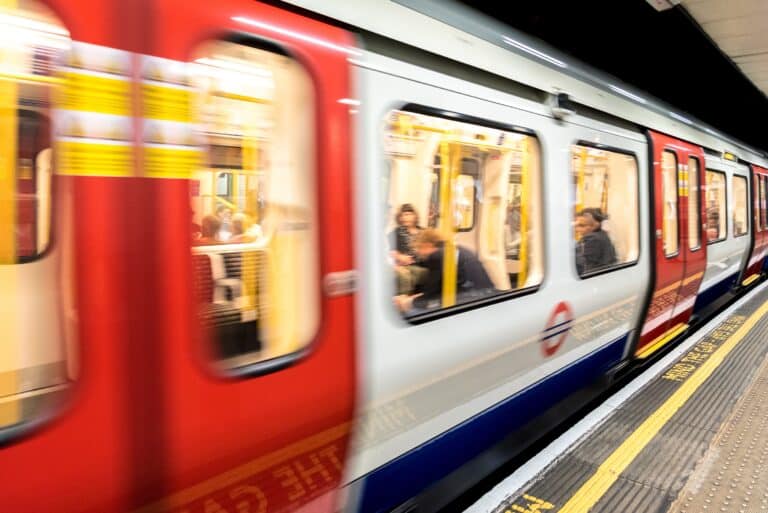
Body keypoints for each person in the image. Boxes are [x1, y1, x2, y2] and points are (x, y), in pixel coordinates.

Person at [394, 228, 495, 313]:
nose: (419, 254)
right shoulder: (455, 249)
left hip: (468, 299)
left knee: (408, 311)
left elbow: (431, 292)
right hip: (484, 295)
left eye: (418, 249)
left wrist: (408, 301)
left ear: (427, 245)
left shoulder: (436, 256)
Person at [389, 204, 427, 294]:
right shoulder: (396, 232)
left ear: (415, 216)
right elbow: (387, 250)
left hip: (424, 263)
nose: (404, 218)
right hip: (406, 265)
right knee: (407, 276)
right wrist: (399, 256)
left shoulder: (424, 232)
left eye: (408, 214)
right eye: (402, 215)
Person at [575, 208, 617, 275]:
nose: (577, 229)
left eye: (582, 225)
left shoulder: (592, 239)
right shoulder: (602, 234)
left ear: (594, 225)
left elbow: (583, 266)